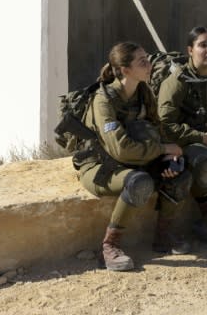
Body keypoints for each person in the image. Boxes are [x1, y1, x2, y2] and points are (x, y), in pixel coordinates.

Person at [74, 41, 192, 272]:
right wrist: (161, 150)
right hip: (100, 167)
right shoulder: (103, 99)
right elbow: (121, 149)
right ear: (125, 70)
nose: (150, 65)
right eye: (143, 62)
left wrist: (167, 158)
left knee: (179, 175)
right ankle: (109, 247)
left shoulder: (143, 93)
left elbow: (156, 131)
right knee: (139, 183)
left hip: (134, 161)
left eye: (147, 59)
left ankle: (163, 236)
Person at [157, 26, 207, 246]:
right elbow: (166, 124)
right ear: (190, 50)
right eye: (202, 45)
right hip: (188, 143)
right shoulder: (177, 82)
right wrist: (199, 137)